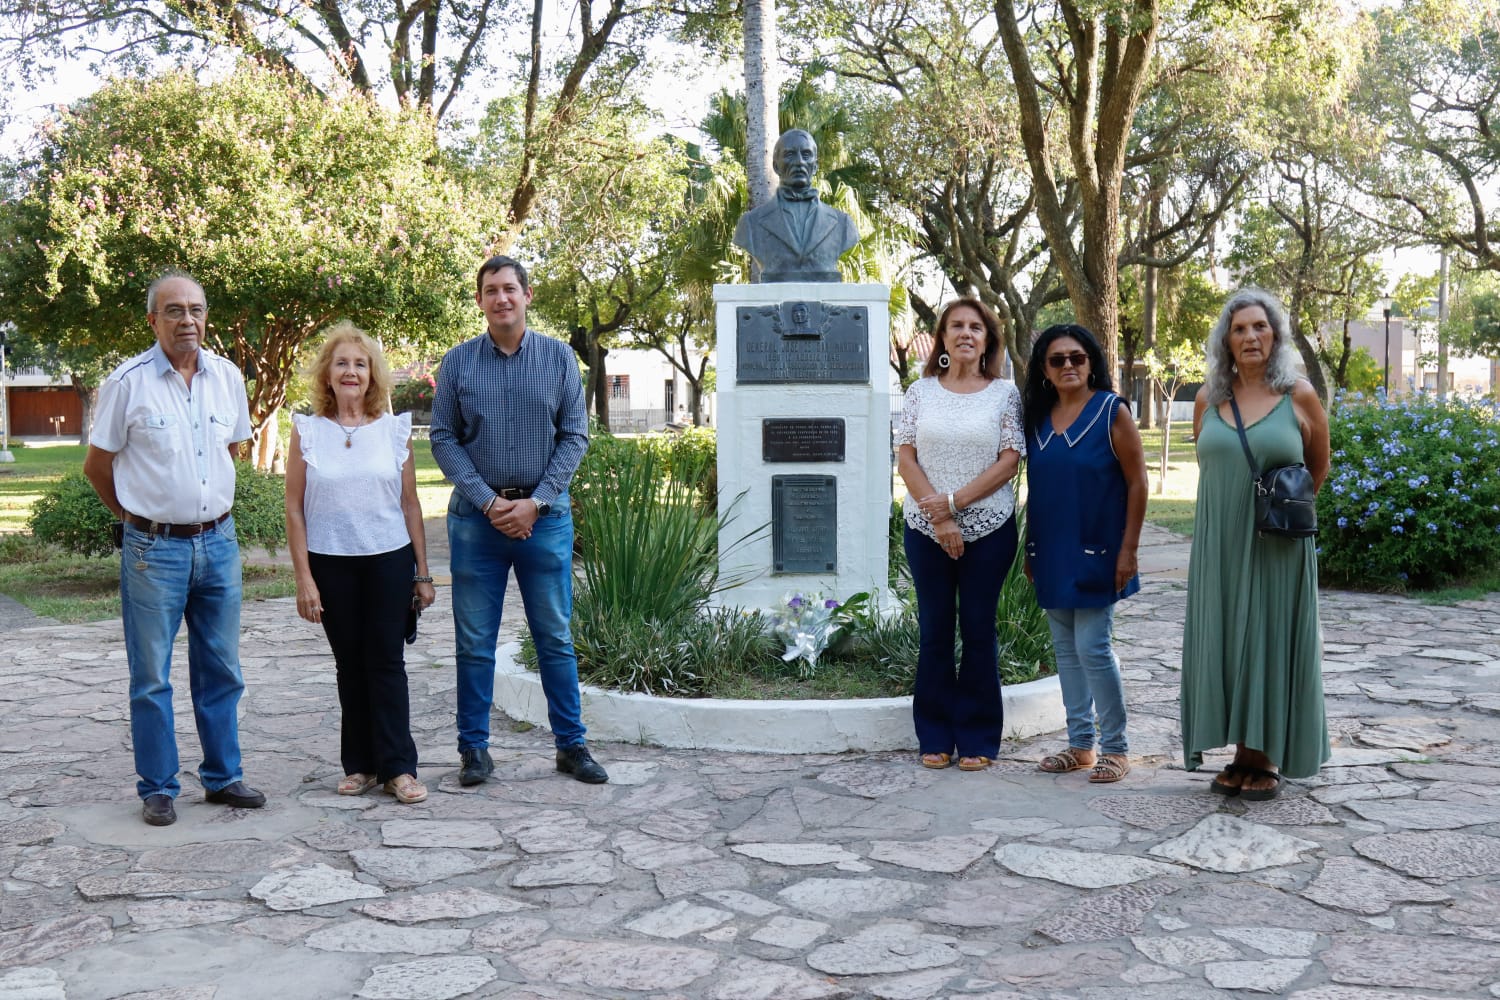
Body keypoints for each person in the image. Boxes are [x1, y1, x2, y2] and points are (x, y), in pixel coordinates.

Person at [82, 271, 265, 827]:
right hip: (152, 551)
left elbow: (232, 445)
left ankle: (223, 777)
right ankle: (158, 787)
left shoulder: (228, 378)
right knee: (152, 676)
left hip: (219, 543)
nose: (188, 320)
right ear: (152, 320)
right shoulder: (128, 382)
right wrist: (135, 518)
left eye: (197, 309)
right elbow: (97, 466)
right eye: (175, 310)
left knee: (221, 669)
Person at [430, 255, 607, 786]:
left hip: (544, 520)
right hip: (476, 523)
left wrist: (538, 501)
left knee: (554, 635)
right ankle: (474, 751)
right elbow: (443, 438)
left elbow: (574, 436)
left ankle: (571, 745)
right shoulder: (458, 363)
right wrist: (488, 501)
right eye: (491, 290)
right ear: (480, 300)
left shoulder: (558, 361)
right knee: (474, 640)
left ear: (528, 295)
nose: (501, 298)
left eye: (510, 288)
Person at [1181, 288, 1331, 800]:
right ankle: (1240, 748)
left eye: (1259, 327)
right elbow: (1212, 466)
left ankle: (1262, 755)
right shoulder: (1209, 399)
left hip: (1277, 545)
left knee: (1268, 636)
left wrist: (1277, 514)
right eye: (1239, 328)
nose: (1250, 336)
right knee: (1227, 636)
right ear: (1226, 339)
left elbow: (1317, 468)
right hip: (1218, 542)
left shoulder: (1299, 395)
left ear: (1276, 336)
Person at [285, 322, 436, 805]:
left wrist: (423, 572)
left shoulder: (393, 432)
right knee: (349, 666)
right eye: (342, 363)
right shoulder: (307, 432)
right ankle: (361, 765)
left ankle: (399, 769)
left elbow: (411, 505)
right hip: (331, 564)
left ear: (373, 376)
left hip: (388, 561)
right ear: (326, 374)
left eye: (361, 363)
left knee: (387, 663)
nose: (351, 371)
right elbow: (293, 507)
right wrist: (304, 578)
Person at [894, 298, 1025, 772]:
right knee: (934, 632)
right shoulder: (919, 392)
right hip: (925, 530)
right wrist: (940, 518)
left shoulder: (1004, 394)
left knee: (977, 629)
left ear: (988, 338)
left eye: (976, 327)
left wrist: (956, 505)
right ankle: (934, 735)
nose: (966, 333)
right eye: (956, 326)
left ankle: (977, 738)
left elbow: (1010, 459)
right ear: (943, 338)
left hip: (989, 528)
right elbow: (906, 457)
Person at [1021, 324, 1148, 785]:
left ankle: (1115, 747)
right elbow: (1038, 489)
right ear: (1044, 370)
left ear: (1092, 361)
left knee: (1093, 648)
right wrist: (1030, 550)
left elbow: (1138, 482)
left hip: (1100, 549)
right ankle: (1080, 746)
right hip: (1050, 549)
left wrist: (1128, 550)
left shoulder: (1112, 412)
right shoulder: (1037, 418)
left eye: (1077, 357)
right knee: (1065, 651)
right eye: (1057, 360)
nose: (1069, 366)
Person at [732, 129, 860, 282]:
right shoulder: (750, 224)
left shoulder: (843, 224)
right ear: (776, 166)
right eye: (790, 155)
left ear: (815, 166)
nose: (799, 162)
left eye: (806, 155)